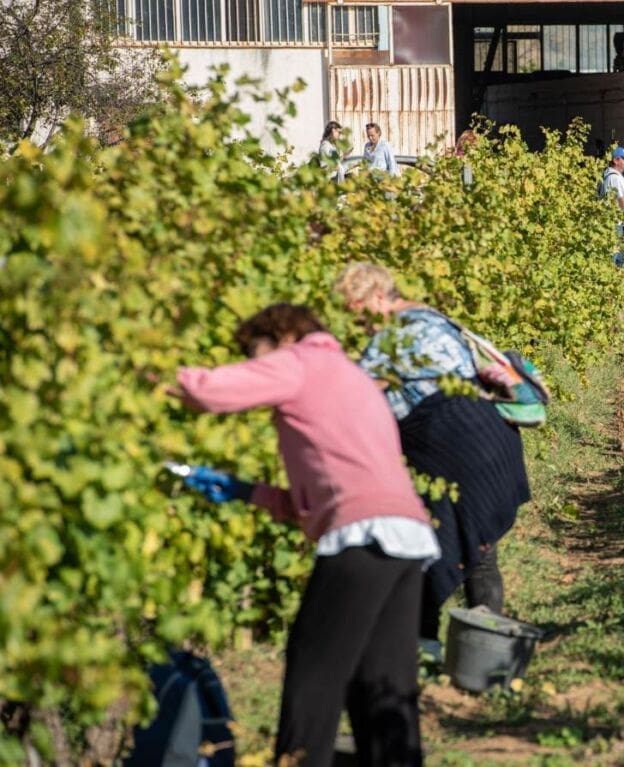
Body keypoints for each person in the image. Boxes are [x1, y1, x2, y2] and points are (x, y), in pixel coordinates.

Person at [172, 303, 438, 766]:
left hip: (363, 536)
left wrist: (147, 370)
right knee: (381, 682)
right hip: (406, 534)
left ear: (281, 337)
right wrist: (245, 491)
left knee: (313, 669)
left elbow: (208, 391)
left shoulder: (301, 361)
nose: (254, 364)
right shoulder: (350, 376)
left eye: (255, 352)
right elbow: (321, 499)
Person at [334, 263, 531, 666]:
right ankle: (484, 657)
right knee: (478, 549)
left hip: (458, 451)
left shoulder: (392, 339)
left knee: (431, 550)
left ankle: (426, 650)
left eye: (358, 313)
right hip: (491, 441)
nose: (357, 324)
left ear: (377, 298)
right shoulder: (432, 318)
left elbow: (353, 396)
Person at [597, 146, 624, 267]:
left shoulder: (606, 174)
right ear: (616, 160)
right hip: (614, 223)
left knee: (617, 256)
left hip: (608, 221)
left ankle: (614, 276)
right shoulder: (616, 178)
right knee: (615, 258)